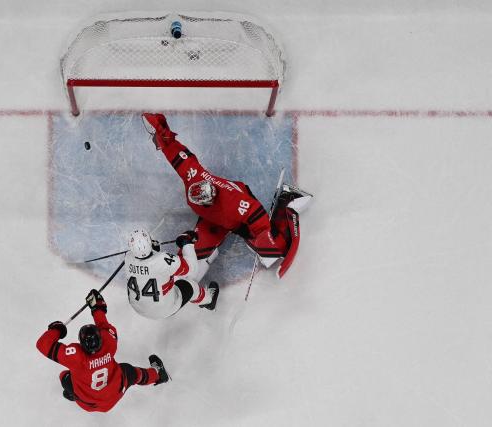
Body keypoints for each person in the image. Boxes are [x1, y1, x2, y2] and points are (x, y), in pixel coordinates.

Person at [141, 112, 312, 275]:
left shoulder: (233, 202)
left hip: (235, 219)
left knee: (273, 249)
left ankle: (287, 201)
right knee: (187, 257)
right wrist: (161, 132)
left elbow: (255, 213)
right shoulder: (193, 176)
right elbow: (175, 152)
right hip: (212, 219)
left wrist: (264, 238)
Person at [36, 289, 169, 413]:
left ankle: (75, 394)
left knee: (64, 376)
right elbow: (104, 326)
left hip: (86, 404)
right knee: (130, 371)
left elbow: (43, 344)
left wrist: (56, 330)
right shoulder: (109, 343)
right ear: (100, 338)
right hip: (114, 395)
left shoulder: (75, 357)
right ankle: (158, 375)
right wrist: (97, 307)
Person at [124, 228, 219, 319]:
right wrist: (187, 243)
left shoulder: (127, 258)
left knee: (161, 279)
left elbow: (145, 264)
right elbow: (192, 268)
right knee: (190, 285)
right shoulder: (162, 260)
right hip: (164, 309)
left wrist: (152, 251)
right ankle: (209, 301)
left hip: (139, 308)